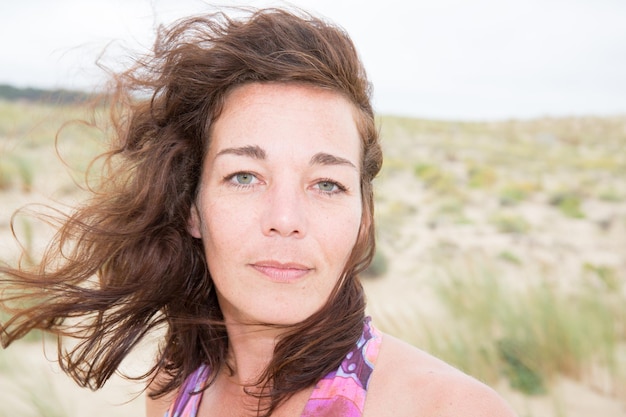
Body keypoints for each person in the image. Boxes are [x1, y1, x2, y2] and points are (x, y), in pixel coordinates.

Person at [0, 7, 518, 417]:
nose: (286, 218)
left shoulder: (448, 410)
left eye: (328, 184)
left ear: (364, 218)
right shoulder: (176, 388)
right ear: (192, 209)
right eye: (244, 177)